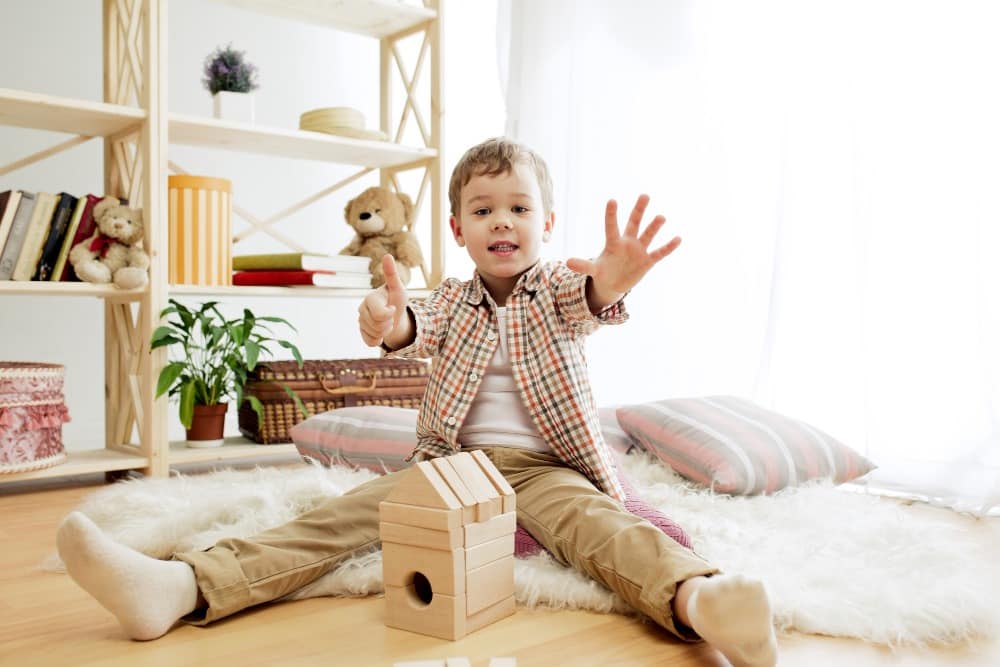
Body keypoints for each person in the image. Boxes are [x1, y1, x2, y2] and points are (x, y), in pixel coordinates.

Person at [57, 137, 777, 667]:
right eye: (483, 209)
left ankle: (701, 601)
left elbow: (590, 301)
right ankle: (184, 586)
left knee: (606, 532)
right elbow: (412, 326)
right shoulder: (453, 301)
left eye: (519, 208)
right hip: (456, 468)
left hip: (549, 468)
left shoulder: (558, 286)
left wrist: (613, 280)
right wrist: (386, 321)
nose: (502, 221)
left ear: (547, 224)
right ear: (458, 229)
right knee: (335, 519)